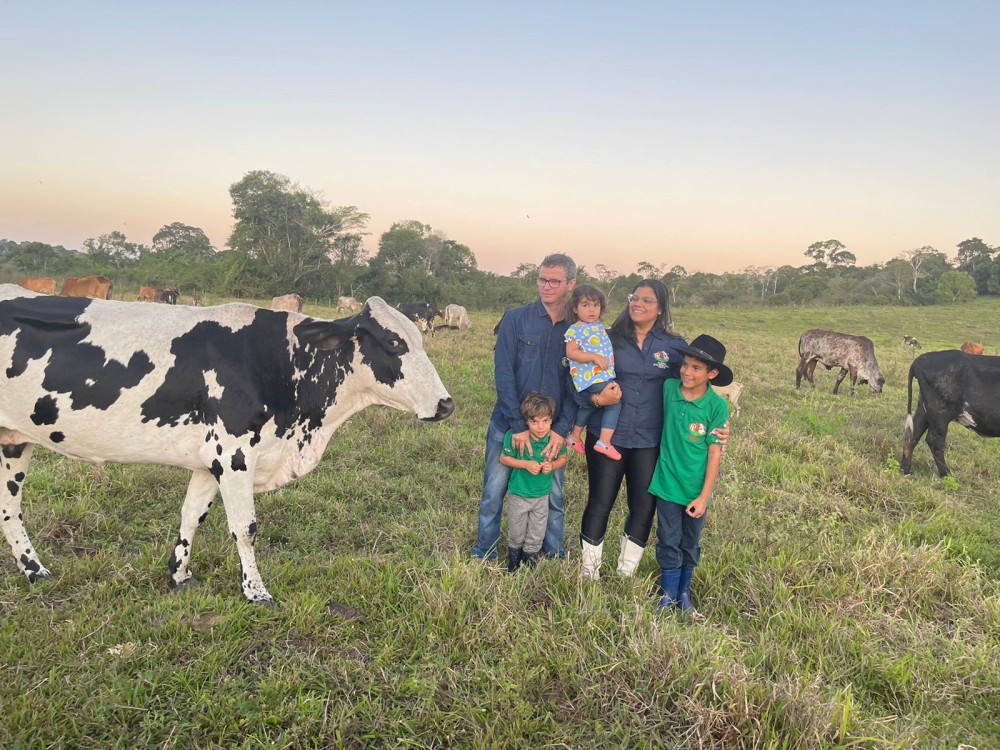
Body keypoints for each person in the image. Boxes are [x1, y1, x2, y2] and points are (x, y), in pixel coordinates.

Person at [577, 280, 729, 580]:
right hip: (608, 435)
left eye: (647, 300)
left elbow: (694, 387)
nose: (638, 303)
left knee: (643, 505)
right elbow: (580, 379)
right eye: (635, 297)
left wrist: (716, 424)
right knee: (600, 500)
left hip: (650, 439)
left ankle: (626, 572)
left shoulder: (674, 347)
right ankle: (589, 571)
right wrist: (596, 398)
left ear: (660, 308)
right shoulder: (607, 339)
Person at [472, 253, 578, 561]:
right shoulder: (516, 318)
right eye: (541, 279)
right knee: (494, 491)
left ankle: (551, 551)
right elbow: (503, 373)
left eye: (554, 281)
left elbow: (578, 385)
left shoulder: (578, 329)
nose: (545, 286)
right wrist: (517, 426)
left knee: (553, 494)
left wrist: (561, 429)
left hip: (551, 431)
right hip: (508, 424)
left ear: (570, 284)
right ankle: (486, 550)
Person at [648, 334, 732, 613]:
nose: (687, 371)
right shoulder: (668, 389)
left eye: (697, 368)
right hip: (667, 483)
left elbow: (714, 452)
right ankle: (668, 593)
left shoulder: (716, 407)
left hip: (696, 489)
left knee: (690, 542)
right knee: (668, 539)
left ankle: (684, 593)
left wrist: (704, 495)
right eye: (685, 365)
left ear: (712, 373)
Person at [500, 393, 568, 572]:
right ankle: (513, 563)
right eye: (535, 421)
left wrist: (552, 465)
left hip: (542, 496)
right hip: (519, 494)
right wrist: (525, 464)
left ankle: (529, 563)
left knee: (536, 533)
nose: (540, 427)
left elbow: (563, 459)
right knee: (516, 532)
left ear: (552, 420)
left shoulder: (555, 440)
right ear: (526, 421)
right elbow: (504, 458)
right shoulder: (515, 437)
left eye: (545, 421)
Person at [564, 285, 622, 461]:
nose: (592, 310)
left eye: (596, 305)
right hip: (592, 377)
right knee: (614, 402)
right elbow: (571, 352)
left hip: (598, 375)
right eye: (585, 305)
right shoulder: (576, 328)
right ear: (575, 308)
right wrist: (593, 357)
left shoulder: (597, 326)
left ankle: (574, 436)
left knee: (588, 405)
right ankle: (604, 442)